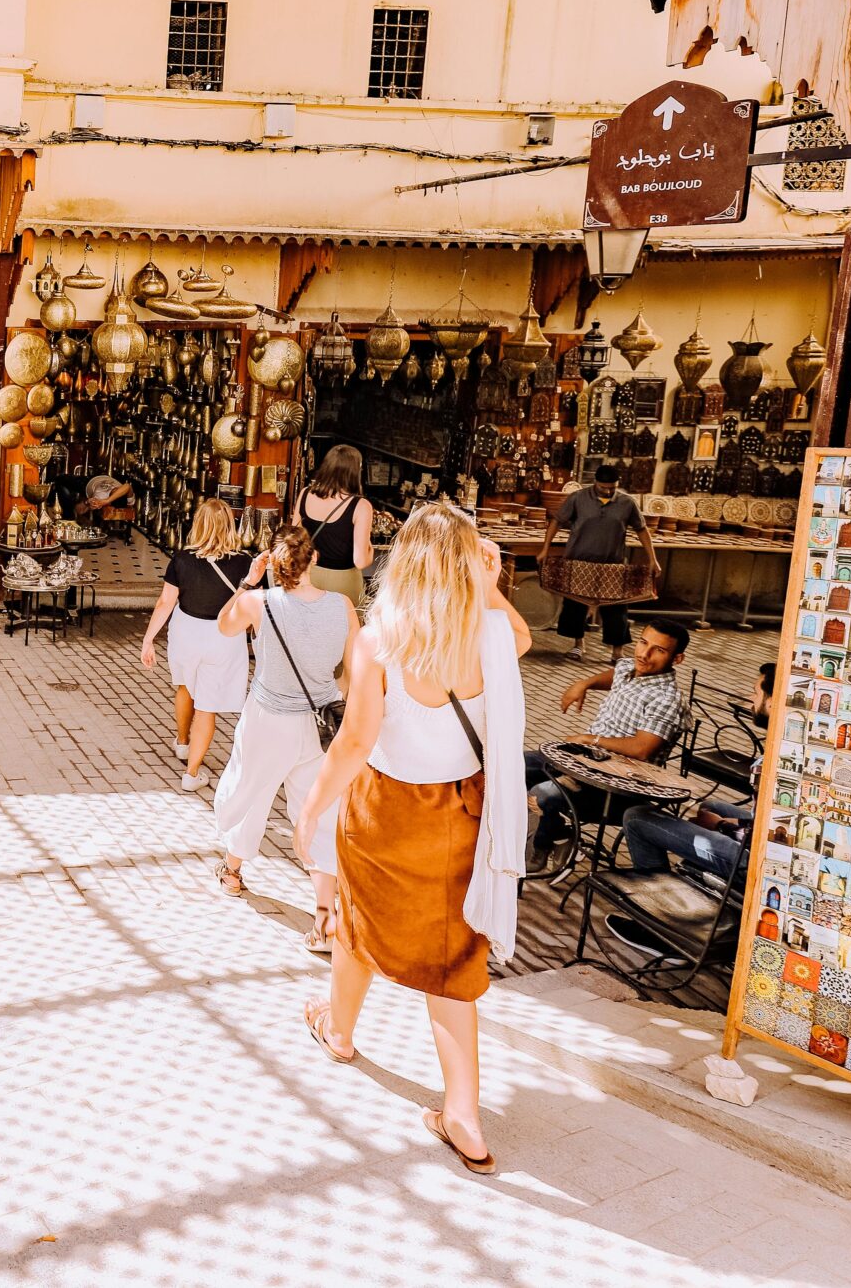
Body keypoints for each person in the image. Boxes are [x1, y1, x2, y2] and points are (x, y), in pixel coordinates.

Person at [296, 503, 531, 1176]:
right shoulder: (488, 632)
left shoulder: (381, 636)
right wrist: (487, 588)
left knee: (358, 921)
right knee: (453, 956)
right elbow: (521, 640)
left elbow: (355, 740)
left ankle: (338, 1030)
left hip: (386, 808)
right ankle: (462, 1111)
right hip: (460, 811)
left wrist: (314, 801)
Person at [211, 523, 352, 952]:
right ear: (314, 560)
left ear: (273, 564)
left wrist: (248, 581)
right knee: (319, 814)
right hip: (319, 725)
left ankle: (233, 873)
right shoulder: (343, 606)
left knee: (250, 792)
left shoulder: (258, 602)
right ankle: (325, 920)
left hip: (269, 717)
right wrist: (330, 700)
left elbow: (223, 626)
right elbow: (353, 670)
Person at [604, 663, 772, 961]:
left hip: (755, 861)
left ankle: (662, 929)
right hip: (757, 841)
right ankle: (699, 901)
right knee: (711, 806)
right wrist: (722, 819)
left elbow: (767, 835)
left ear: (772, 700)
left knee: (638, 817)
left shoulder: (772, 760)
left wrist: (722, 826)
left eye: (756, 691)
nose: (750, 697)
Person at [524, 617, 692, 871]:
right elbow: (615, 673)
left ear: (677, 659)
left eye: (659, 650)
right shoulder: (629, 667)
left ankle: (541, 847)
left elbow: (642, 749)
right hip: (583, 761)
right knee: (510, 767)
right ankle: (560, 835)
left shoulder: (667, 699)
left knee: (544, 793)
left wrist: (590, 739)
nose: (644, 654)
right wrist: (584, 684)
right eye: (643, 642)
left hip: (617, 787)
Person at [139, 499, 254, 793]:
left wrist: (148, 638)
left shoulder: (182, 559)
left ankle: (181, 742)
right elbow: (254, 607)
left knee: (185, 687)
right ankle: (192, 773)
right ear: (231, 524)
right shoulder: (246, 562)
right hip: (224, 637)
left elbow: (166, 602)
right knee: (207, 706)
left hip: (186, 633)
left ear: (198, 524)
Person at [537, 462, 658, 651]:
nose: (608, 492)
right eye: (604, 488)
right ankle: (578, 644)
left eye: (613, 488)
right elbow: (556, 522)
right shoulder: (577, 498)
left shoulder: (627, 503)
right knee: (575, 606)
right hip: (578, 561)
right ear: (595, 482)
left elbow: (642, 530)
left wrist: (653, 559)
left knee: (616, 609)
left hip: (612, 564)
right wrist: (545, 549)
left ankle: (617, 652)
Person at [292, 445, 373, 601]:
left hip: (308, 577)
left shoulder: (305, 494)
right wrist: (369, 547)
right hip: (343, 582)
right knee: (345, 624)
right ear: (355, 471)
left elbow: (295, 540)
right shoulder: (361, 506)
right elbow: (361, 561)